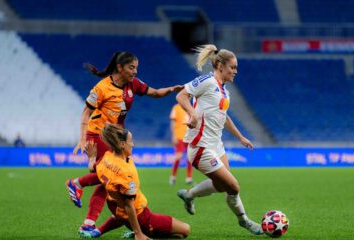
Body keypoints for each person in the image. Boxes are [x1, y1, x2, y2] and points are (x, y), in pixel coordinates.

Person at [66, 51, 184, 233]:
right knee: (111, 175)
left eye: (136, 68)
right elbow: (85, 113)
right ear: (119, 68)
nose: (135, 71)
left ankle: (97, 221)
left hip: (117, 136)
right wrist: (82, 139)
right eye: (131, 67)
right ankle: (78, 187)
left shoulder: (133, 84)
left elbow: (153, 92)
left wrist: (170, 90)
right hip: (99, 134)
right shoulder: (102, 88)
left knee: (111, 179)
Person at [175, 44, 263, 235]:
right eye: (233, 67)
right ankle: (245, 221)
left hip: (216, 145)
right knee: (233, 186)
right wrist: (192, 113)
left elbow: (224, 117)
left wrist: (240, 137)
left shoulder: (225, 91)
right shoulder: (207, 81)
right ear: (221, 66)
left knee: (224, 185)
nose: (235, 71)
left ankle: (189, 195)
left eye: (236, 68)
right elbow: (181, 95)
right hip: (200, 147)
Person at [80, 123, 190, 239]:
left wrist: (92, 158)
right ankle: (140, 232)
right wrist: (139, 233)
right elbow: (129, 206)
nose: (133, 144)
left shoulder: (106, 158)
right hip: (142, 218)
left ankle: (99, 232)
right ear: (122, 144)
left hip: (117, 210)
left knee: (122, 211)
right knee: (185, 230)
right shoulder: (126, 173)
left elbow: (93, 168)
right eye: (130, 141)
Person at [169, 103, 193, 185]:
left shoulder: (190, 107)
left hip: (188, 137)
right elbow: (173, 122)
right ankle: (173, 176)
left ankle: (189, 178)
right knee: (178, 157)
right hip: (179, 136)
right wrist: (173, 135)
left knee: (190, 158)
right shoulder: (176, 107)